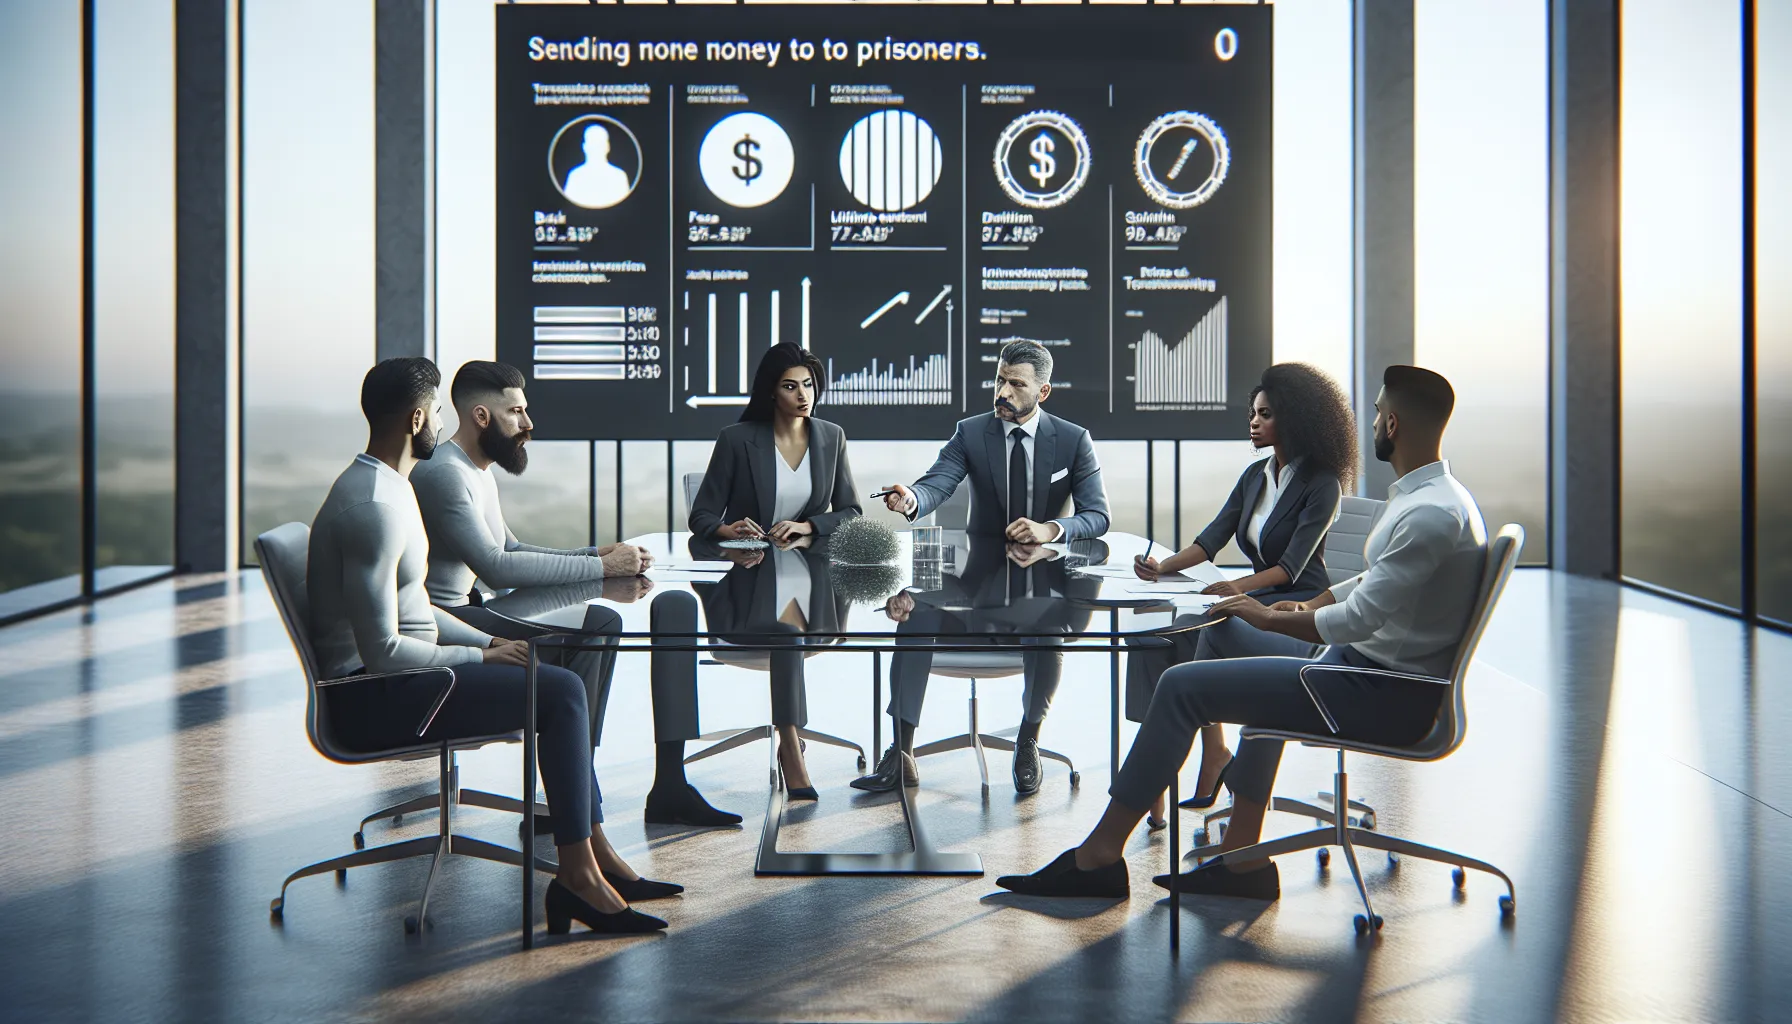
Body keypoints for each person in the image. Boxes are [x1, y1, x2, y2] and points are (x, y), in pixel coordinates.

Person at [996, 365, 1486, 902]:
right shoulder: (1438, 499)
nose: (1370, 421)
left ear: (1391, 424)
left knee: (1183, 685)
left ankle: (1098, 858)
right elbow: (1369, 583)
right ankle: (1243, 856)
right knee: (1227, 650)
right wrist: (1306, 603)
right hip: (1362, 672)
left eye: (1375, 412)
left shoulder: (1429, 514)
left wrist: (1271, 615)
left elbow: (1360, 620)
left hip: (1377, 690)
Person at [306, 357, 673, 935]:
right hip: (371, 699)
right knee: (560, 692)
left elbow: (417, 611)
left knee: (557, 685)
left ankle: (589, 857)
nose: (444, 427)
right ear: (417, 418)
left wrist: (489, 640)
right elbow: (381, 653)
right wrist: (478, 655)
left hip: (404, 676)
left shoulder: (390, 487)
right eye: (437, 416)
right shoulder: (374, 507)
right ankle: (581, 873)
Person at [411, 360, 738, 828]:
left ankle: (575, 784)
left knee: (599, 625)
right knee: (600, 625)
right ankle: (578, 791)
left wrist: (593, 554)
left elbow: (511, 549)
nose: (528, 424)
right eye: (516, 413)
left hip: (471, 608)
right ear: (482, 417)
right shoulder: (447, 473)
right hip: (449, 620)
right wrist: (601, 567)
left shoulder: (474, 469)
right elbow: (496, 566)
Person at [860, 339, 1110, 795]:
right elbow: (938, 481)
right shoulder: (971, 432)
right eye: (1000, 380)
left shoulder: (1073, 440)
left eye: (1017, 385)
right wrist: (912, 498)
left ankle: (1028, 739)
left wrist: (1050, 529)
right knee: (915, 611)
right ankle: (901, 752)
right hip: (974, 590)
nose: (1003, 392)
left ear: (1043, 392)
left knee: (1048, 624)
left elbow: (1097, 516)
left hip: (1039, 585)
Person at [1127, 363, 1355, 829]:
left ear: (1294, 418)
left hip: (1296, 617)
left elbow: (1290, 568)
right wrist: (1161, 568)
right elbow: (1212, 539)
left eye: (1265, 413)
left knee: (1217, 624)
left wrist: (1236, 589)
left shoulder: (1322, 484)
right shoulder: (1254, 477)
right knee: (1157, 638)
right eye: (1252, 412)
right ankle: (1194, 760)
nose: (1253, 422)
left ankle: (1183, 766)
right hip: (1253, 607)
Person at [687, 342, 861, 796]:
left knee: (795, 632)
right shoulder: (736, 439)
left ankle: (790, 735)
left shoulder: (831, 437)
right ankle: (789, 742)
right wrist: (728, 530)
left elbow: (851, 514)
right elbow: (700, 517)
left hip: (813, 583)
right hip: (745, 588)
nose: (804, 395)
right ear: (771, 392)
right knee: (788, 635)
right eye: (790, 386)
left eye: (808, 385)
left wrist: (807, 524)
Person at [563, 122, 633, 209]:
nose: (596, 148)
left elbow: (626, 209)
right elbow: (567, 209)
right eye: (593, 143)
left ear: (607, 147)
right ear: (584, 147)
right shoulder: (575, 176)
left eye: (600, 143)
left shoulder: (619, 176)